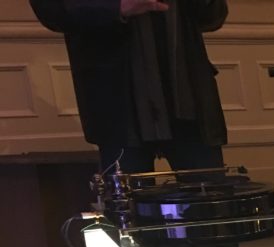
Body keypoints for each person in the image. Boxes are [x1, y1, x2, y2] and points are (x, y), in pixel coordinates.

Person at [30, 0, 228, 175]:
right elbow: (51, 9)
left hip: (191, 103)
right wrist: (116, 7)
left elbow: (215, 16)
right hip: (120, 106)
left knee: (212, 202)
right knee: (127, 203)